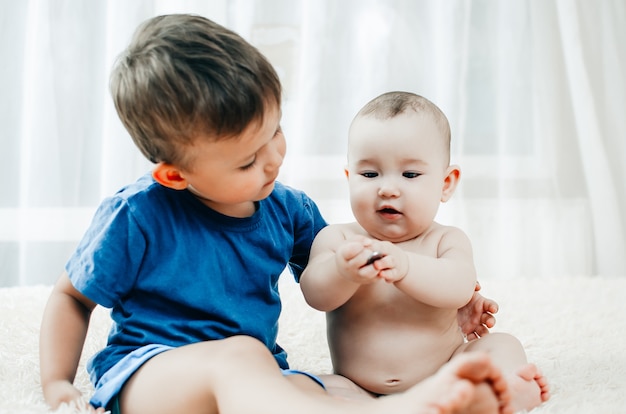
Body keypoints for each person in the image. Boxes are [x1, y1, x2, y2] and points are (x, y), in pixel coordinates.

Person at [39, 15, 511, 414]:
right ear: (175, 176)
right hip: (153, 372)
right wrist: (57, 383)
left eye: (275, 131)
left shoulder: (288, 209)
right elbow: (70, 298)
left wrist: (448, 300)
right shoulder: (135, 214)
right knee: (240, 357)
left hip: (257, 375)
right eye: (247, 160)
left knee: (321, 386)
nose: (272, 159)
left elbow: (346, 279)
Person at [300, 91, 550, 413]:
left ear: (446, 183)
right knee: (303, 386)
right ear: (349, 178)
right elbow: (315, 293)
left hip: (445, 372)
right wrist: (341, 271)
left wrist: (405, 267)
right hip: (356, 384)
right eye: (369, 174)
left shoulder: (446, 240)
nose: (387, 188)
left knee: (503, 344)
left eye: (410, 175)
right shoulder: (338, 239)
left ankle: (502, 391)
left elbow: (459, 287)